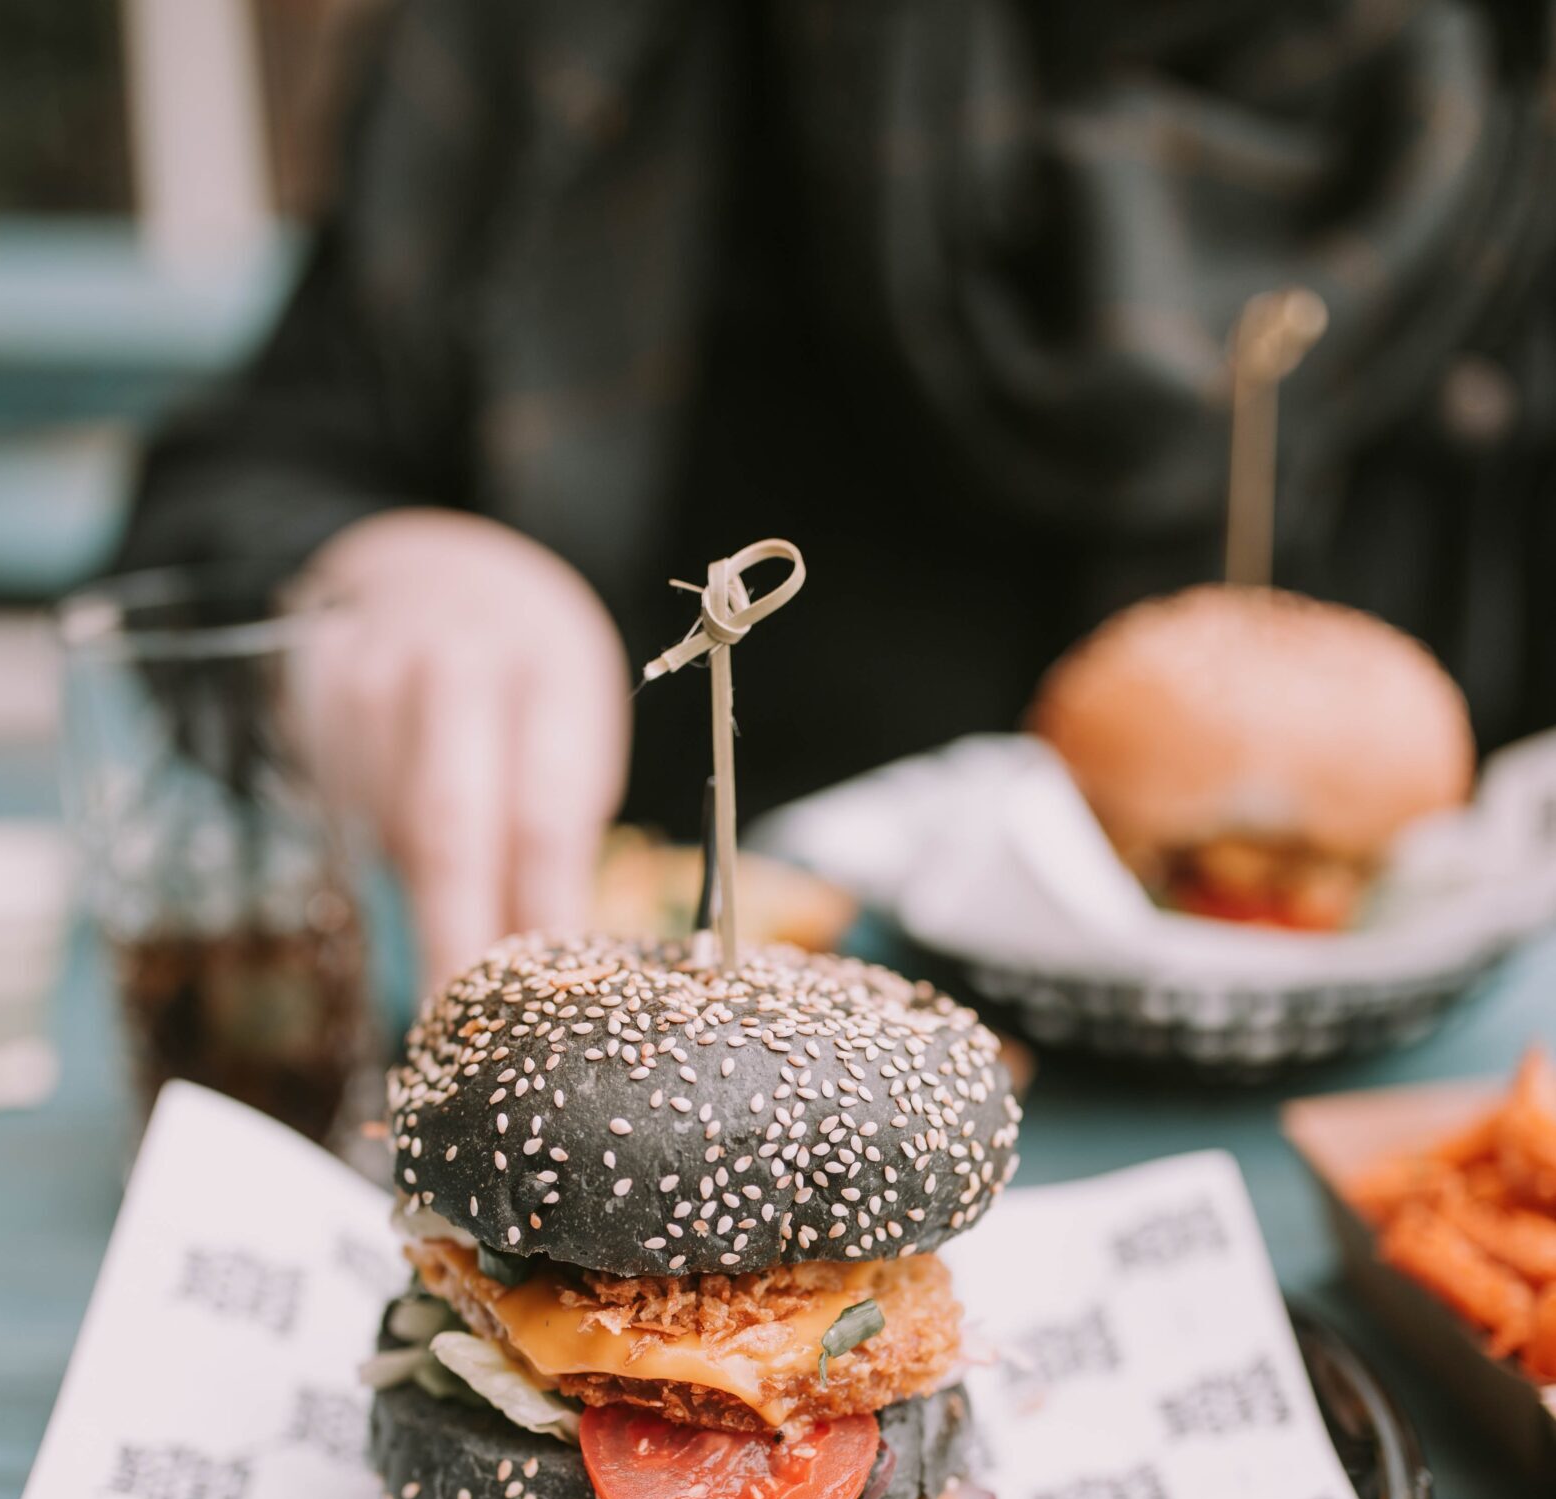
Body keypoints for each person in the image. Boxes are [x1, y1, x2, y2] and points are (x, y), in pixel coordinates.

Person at [118, 0, 1556, 984]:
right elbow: (224, 498)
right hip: (670, 1046)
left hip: (1379, 1191)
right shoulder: (585, 42)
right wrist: (377, 563)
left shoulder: (1516, 106)